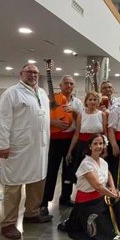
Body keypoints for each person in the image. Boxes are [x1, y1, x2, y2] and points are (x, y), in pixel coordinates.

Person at [0, 63, 52, 240]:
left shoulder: (41, 93)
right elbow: (1, 120)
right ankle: (8, 223)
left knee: (38, 180)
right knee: (13, 185)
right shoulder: (12, 93)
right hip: (17, 148)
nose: (33, 75)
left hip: (38, 147)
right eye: (29, 72)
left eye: (35, 73)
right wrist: (2, 144)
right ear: (21, 73)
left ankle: (31, 214)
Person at [59, 134, 120, 240]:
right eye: (95, 144)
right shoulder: (86, 164)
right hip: (87, 204)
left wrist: (113, 188)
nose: (99, 146)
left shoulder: (103, 162)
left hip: (101, 199)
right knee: (100, 228)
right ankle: (75, 221)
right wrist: (115, 195)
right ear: (90, 146)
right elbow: (98, 186)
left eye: (101, 143)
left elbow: (109, 174)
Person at [41, 75, 83, 214]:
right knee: (51, 170)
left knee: (69, 170)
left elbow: (81, 120)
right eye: (66, 83)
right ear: (60, 85)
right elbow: (41, 116)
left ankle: (65, 197)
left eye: (71, 84)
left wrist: (74, 111)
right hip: (54, 140)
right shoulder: (50, 99)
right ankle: (44, 202)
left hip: (71, 140)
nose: (69, 86)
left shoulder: (77, 102)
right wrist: (53, 123)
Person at [66, 91, 108, 201]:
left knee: (96, 172)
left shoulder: (102, 115)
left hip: (97, 147)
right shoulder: (81, 115)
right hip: (82, 147)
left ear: (98, 101)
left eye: (95, 99)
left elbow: (105, 133)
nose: (92, 102)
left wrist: (105, 149)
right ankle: (80, 195)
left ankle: (97, 195)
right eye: (90, 99)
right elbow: (76, 134)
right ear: (86, 101)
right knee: (83, 172)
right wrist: (70, 151)